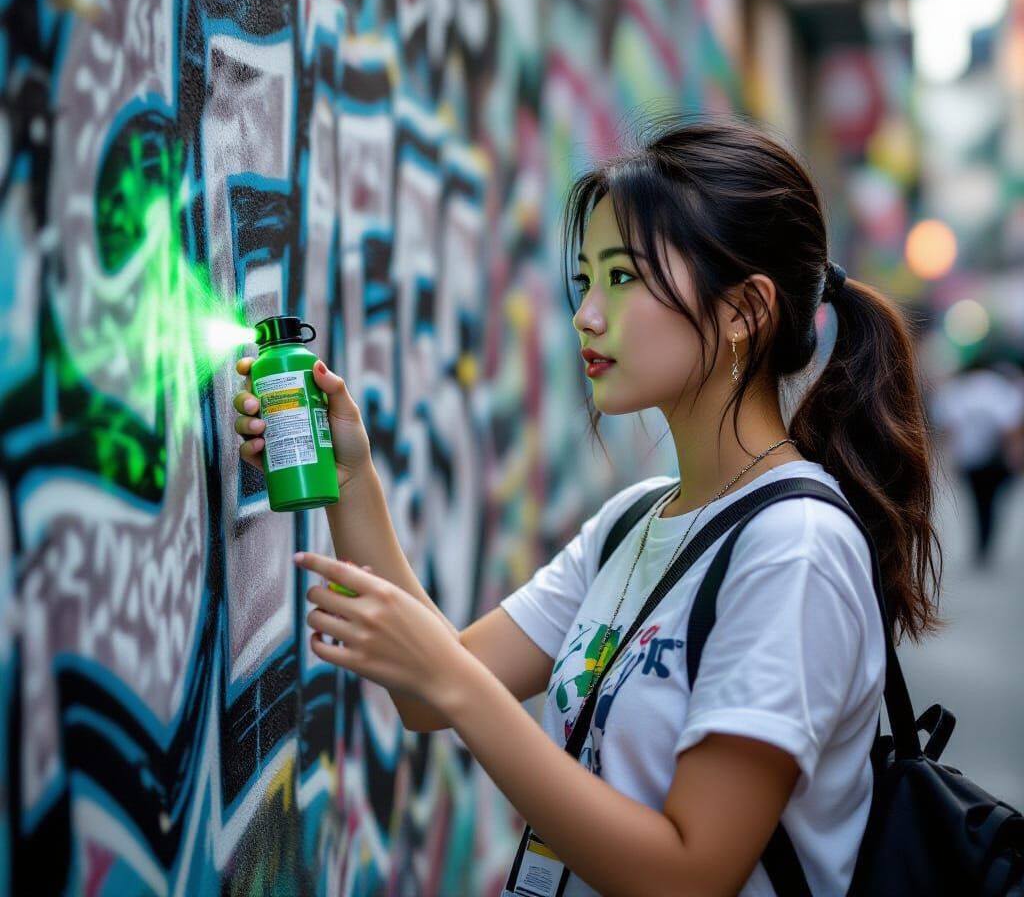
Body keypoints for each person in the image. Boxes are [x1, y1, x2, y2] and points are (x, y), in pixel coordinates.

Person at [232, 119, 942, 897]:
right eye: (586, 279)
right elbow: (426, 691)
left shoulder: (796, 547)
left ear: (745, 310)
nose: (587, 315)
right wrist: (350, 476)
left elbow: (691, 875)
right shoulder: (633, 523)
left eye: (624, 277)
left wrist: (450, 678)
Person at [930, 358, 1024, 568]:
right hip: (995, 460)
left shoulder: (959, 390)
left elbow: (949, 429)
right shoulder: (999, 388)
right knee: (991, 502)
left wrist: (948, 460)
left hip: (969, 458)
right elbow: (1010, 428)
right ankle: (986, 541)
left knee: (977, 502)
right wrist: (1015, 454)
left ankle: (980, 542)